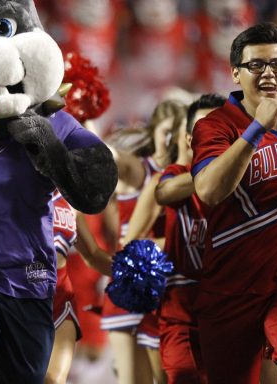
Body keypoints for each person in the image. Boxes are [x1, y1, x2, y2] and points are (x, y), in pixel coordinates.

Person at [191, 22, 277, 383]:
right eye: (256, 65)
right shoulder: (216, 126)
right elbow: (209, 190)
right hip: (233, 283)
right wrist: (255, 130)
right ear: (235, 73)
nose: (268, 73)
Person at [102, 99, 185, 384]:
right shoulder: (139, 170)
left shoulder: (184, 175)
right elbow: (107, 154)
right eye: (166, 131)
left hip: (165, 288)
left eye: (178, 132)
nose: (170, 139)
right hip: (130, 280)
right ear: (153, 132)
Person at [153, 93, 225, 383]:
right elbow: (164, 192)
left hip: (228, 311)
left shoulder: (248, 179)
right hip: (180, 314)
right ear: (187, 140)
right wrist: (215, 173)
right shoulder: (177, 174)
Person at [45, 190, 113, 384]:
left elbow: (93, 254)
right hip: (23, 295)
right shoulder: (16, 187)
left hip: (61, 296)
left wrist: (132, 269)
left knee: (54, 379)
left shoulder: (72, 200)